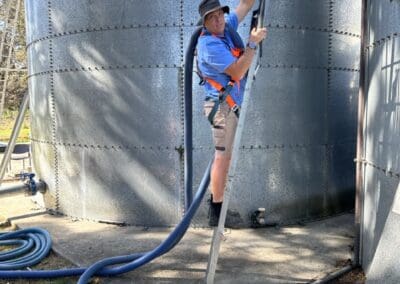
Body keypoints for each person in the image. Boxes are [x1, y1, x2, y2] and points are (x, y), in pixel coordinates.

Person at [197, 0, 267, 226]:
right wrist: (253, 44)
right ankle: (216, 213)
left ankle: (217, 207)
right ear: (205, 23)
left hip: (229, 105)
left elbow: (245, 5)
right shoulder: (209, 45)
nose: (218, 19)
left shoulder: (226, 28)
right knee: (222, 158)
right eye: (212, 17)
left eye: (219, 14)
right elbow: (237, 72)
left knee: (224, 159)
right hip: (221, 107)